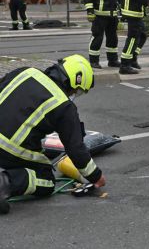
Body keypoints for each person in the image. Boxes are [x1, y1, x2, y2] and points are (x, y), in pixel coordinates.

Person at [0, 55, 106, 214]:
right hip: (7, 148)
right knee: (46, 180)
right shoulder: (63, 105)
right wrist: (95, 176)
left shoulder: (26, 71)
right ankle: (4, 183)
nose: (75, 94)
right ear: (73, 82)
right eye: (77, 90)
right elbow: (76, 149)